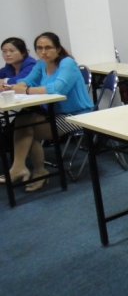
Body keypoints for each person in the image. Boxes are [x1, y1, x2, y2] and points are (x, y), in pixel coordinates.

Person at [0, 32, 93, 191]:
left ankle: (33, 171)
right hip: (54, 113)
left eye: (48, 48)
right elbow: (28, 80)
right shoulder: (41, 64)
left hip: (77, 115)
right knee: (23, 120)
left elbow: (58, 88)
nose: (43, 52)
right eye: (39, 48)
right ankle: (23, 168)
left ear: (57, 49)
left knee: (25, 132)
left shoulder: (67, 63)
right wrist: (17, 86)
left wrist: (25, 90)